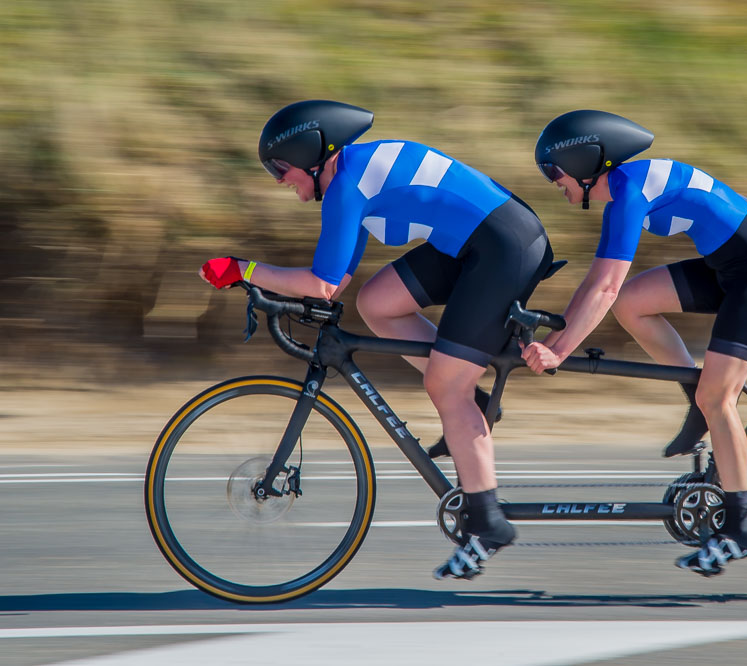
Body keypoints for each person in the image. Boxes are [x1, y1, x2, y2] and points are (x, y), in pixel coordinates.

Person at [199, 100, 555, 580]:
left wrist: (243, 270)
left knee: (445, 388)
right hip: (479, 241)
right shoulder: (354, 176)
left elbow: (322, 285)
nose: (278, 179)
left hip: (503, 247)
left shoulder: (348, 183)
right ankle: (473, 397)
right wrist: (260, 282)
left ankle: (489, 524)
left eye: (280, 168)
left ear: (311, 154)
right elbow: (339, 280)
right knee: (379, 302)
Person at [522, 109, 747, 576]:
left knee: (720, 397)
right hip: (728, 269)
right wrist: (558, 340)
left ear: (588, 161)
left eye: (555, 171)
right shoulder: (625, 190)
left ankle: (741, 526)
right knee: (633, 302)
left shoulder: (629, 191)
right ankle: (697, 396)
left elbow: (601, 286)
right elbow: (606, 289)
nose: (553, 181)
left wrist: (559, 349)